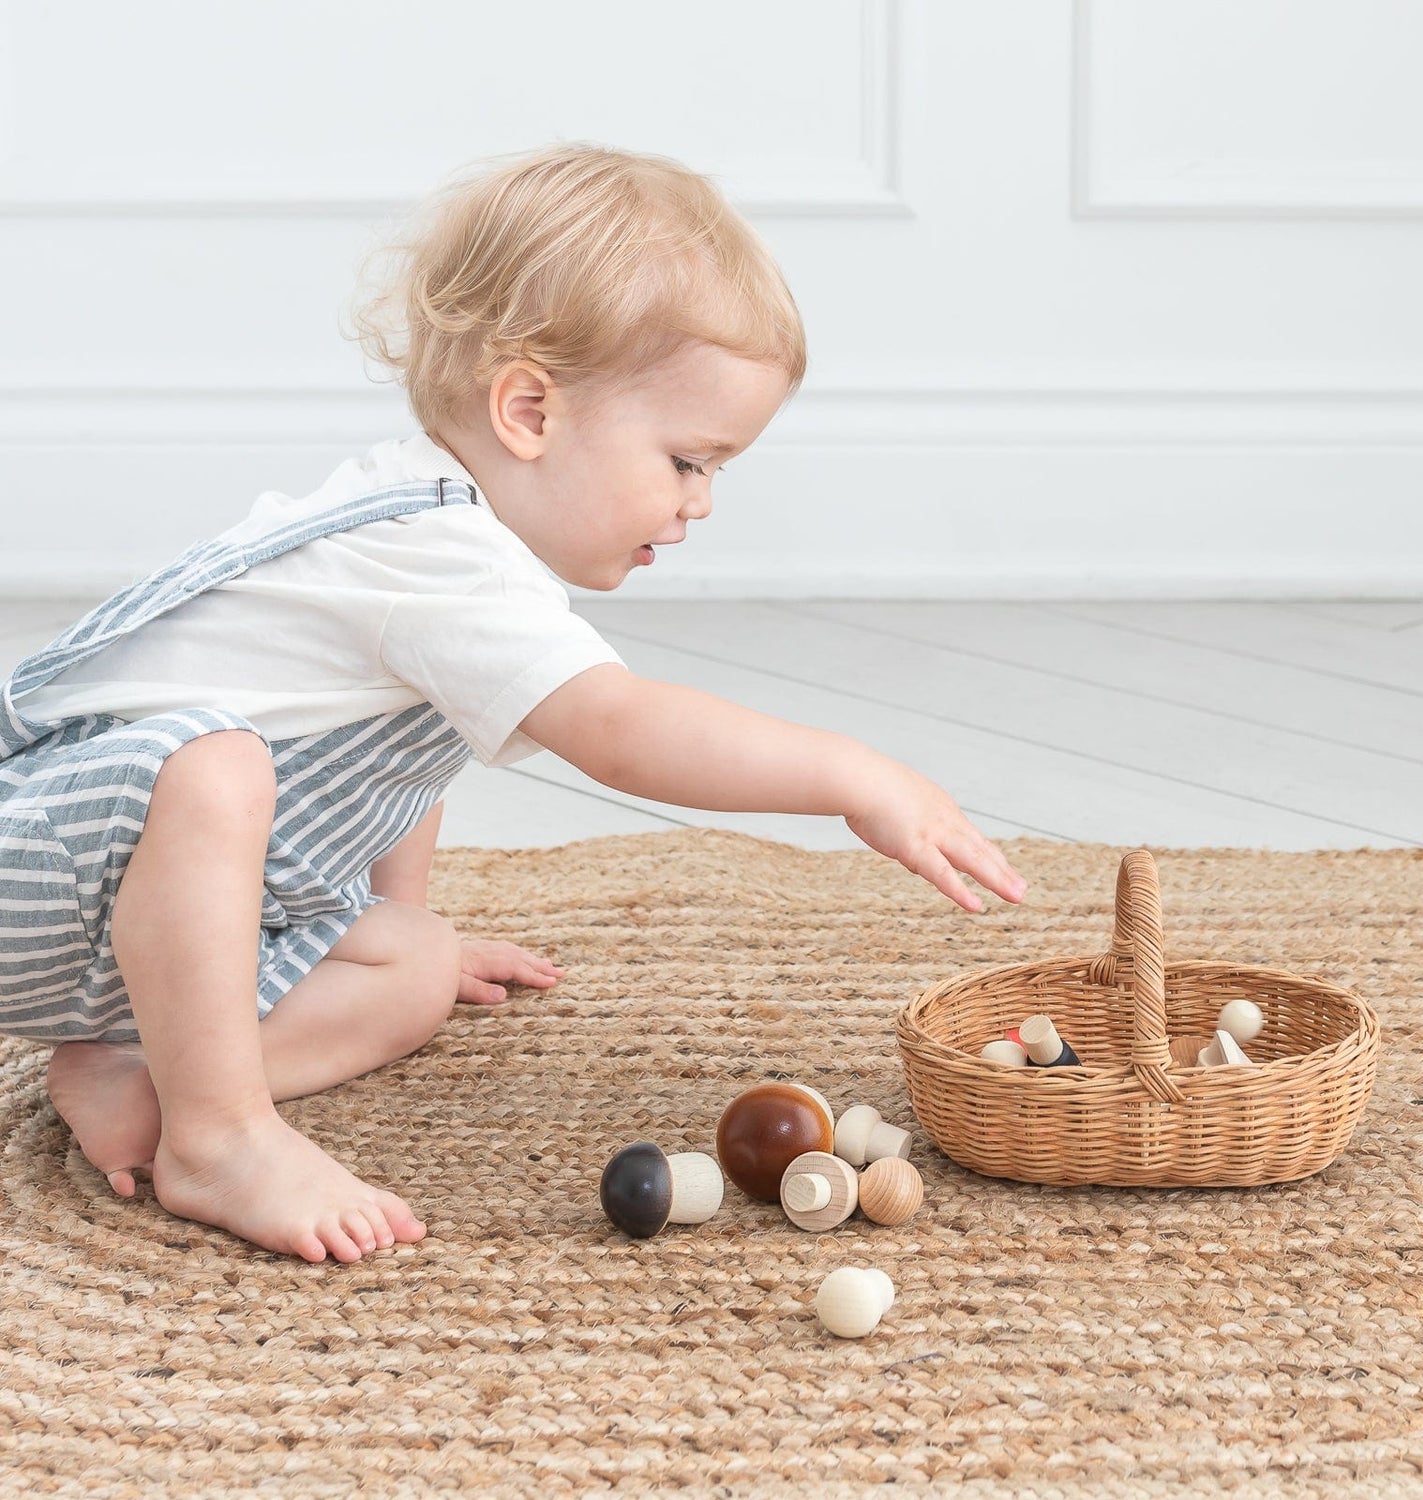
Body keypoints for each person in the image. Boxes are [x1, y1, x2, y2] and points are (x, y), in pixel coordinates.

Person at [0, 143, 1027, 1265]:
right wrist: (851, 775)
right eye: (687, 460)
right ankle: (220, 1134)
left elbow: (399, 765)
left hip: (123, 918)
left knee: (416, 969)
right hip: (38, 866)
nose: (701, 504)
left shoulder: (451, 557)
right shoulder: (430, 552)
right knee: (217, 765)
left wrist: (402, 924)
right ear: (529, 408)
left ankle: (140, 1069)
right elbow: (621, 732)